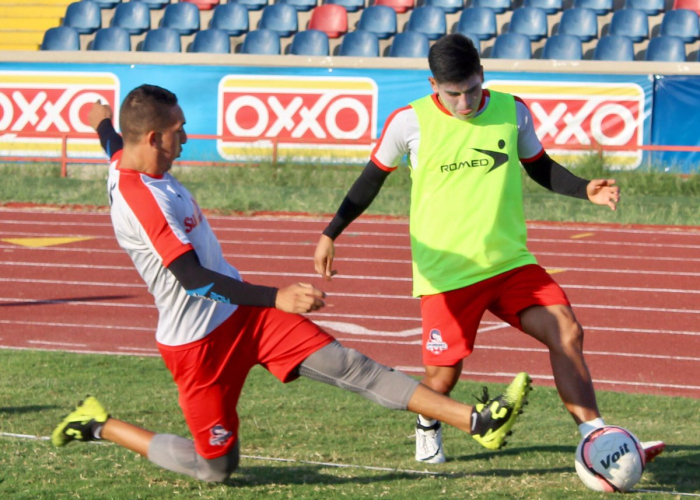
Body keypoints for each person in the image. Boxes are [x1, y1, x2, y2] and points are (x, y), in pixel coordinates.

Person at [51, 84, 533, 483]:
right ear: (154, 139)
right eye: (178, 132)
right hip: (199, 346)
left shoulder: (126, 160)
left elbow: (115, 144)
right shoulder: (142, 199)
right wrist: (276, 296)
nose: (186, 139)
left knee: (351, 366)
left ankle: (478, 422)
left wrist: (101, 122)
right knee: (217, 468)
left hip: (246, 315)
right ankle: (98, 424)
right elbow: (193, 279)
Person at [313, 34, 665, 465]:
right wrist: (332, 232)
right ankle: (428, 423)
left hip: (510, 263)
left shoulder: (511, 110)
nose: (464, 104)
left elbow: (539, 166)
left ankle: (597, 439)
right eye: (453, 94)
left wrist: (583, 189)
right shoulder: (409, 122)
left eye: (472, 90)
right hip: (447, 274)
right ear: (433, 85)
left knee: (567, 331)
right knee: (442, 381)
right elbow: (370, 181)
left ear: (483, 75)